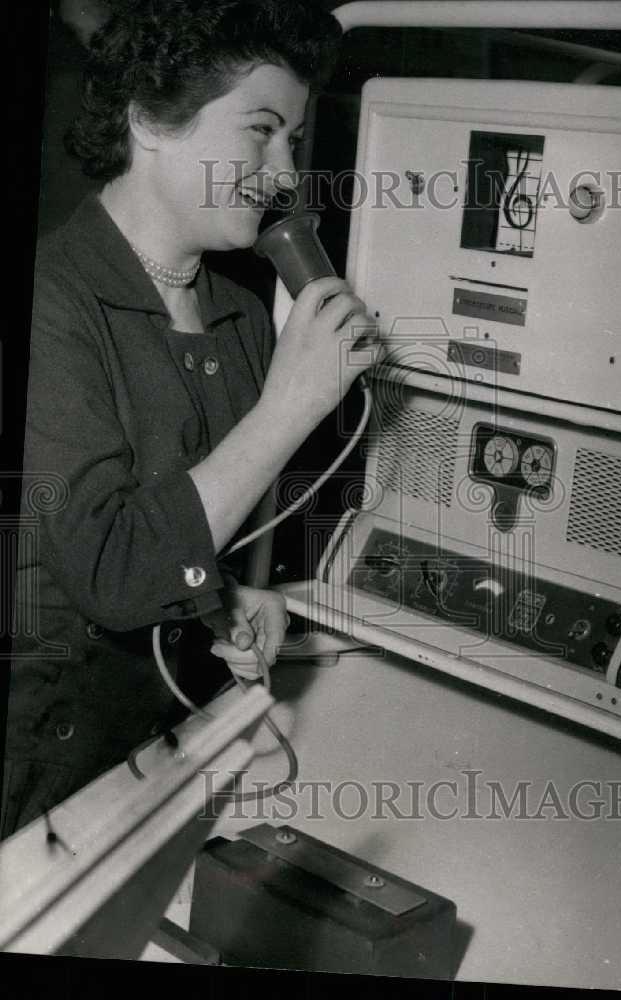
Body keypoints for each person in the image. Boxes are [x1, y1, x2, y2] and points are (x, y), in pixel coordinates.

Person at [2, 0, 377, 837]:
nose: (284, 174)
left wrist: (227, 605)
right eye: (260, 130)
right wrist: (288, 405)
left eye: (293, 139)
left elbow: (193, 535)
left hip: (166, 760)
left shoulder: (240, 314)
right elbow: (117, 570)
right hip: (41, 786)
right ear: (149, 121)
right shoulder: (49, 304)